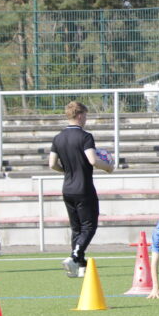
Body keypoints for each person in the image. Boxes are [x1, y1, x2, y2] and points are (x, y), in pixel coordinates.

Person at [48, 101, 115, 278]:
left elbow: (52, 164)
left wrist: (67, 171)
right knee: (89, 226)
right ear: (79, 115)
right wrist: (108, 167)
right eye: (85, 115)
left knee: (76, 228)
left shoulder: (58, 138)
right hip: (83, 188)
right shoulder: (85, 137)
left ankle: (79, 265)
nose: (86, 119)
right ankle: (75, 256)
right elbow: (93, 160)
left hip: (67, 188)